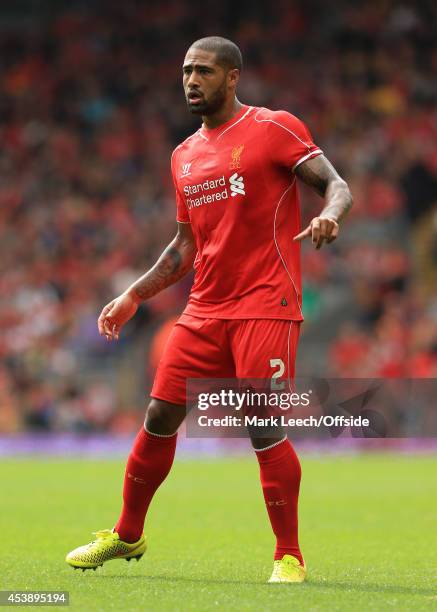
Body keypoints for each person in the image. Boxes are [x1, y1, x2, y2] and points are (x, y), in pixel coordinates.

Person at [66, 36, 352, 583]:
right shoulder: (183, 156)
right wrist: (134, 295)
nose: (192, 81)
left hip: (266, 304)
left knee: (262, 425)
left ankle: (288, 555)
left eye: (203, 71)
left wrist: (331, 215)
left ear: (233, 76)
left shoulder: (274, 128)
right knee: (158, 416)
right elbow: (184, 246)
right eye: (185, 72)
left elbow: (336, 185)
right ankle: (127, 536)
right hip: (203, 309)